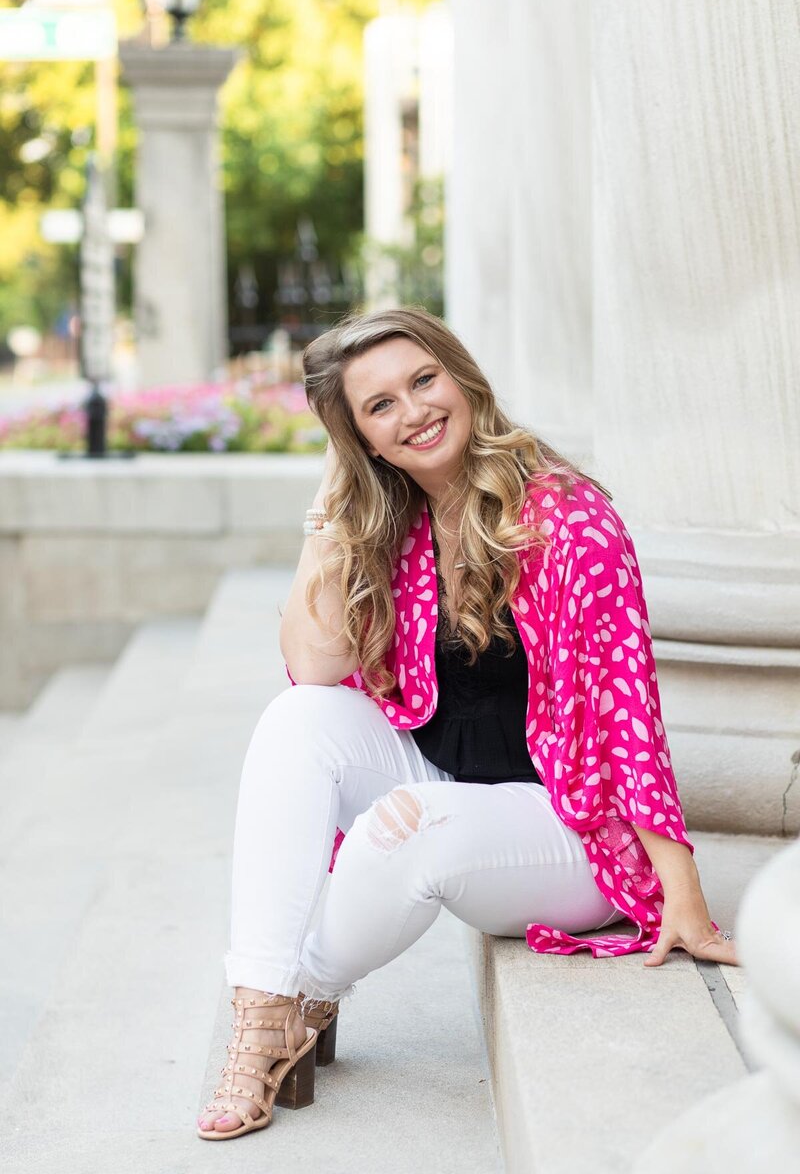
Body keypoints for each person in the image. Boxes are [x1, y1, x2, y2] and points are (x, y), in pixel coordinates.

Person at [197, 306, 737, 1141]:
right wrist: (326, 520)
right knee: (297, 719)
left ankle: (296, 999)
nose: (413, 412)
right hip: (457, 782)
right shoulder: (401, 516)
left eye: (423, 381)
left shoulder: (569, 522)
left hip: (573, 829)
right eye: (380, 407)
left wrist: (684, 897)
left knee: (410, 830)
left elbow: (632, 712)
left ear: (461, 377)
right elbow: (315, 667)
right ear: (362, 441)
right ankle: (264, 1004)